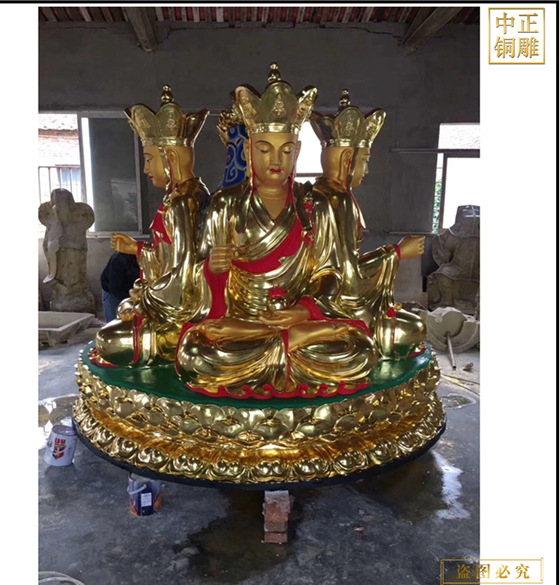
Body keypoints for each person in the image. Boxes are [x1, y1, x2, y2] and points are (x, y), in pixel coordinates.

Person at [176, 65, 378, 398]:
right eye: (264, 149)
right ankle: (284, 345)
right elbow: (194, 278)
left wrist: (304, 311)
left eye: (286, 151)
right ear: (248, 151)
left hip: (298, 321)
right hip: (241, 324)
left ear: (297, 151)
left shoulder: (315, 205)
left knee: (361, 349)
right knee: (196, 355)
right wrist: (211, 268)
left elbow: (331, 274)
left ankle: (285, 342)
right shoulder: (226, 204)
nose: (276, 160)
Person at [93, 85, 210, 366]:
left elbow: (183, 273)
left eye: (149, 160)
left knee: (110, 340)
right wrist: (137, 249)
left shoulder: (182, 203)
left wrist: (146, 297)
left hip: (179, 309)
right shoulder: (189, 193)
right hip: (168, 298)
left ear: (170, 159)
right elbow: (169, 257)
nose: (146, 169)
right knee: (124, 307)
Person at [310, 90, 426, 359]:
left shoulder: (321, 193)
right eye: (364, 161)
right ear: (346, 161)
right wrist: (397, 252)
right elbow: (346, 278)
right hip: (333, 305)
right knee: (413, 329)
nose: (367, 170)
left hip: (322, 300)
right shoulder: (338, 201)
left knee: (409, 323)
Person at [100, 251, 140, 323]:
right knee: (113, 321)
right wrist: (130, 299)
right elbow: (114, 288)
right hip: (112, 292)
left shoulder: (146, 259)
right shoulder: (119, 259)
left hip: (129, 290)